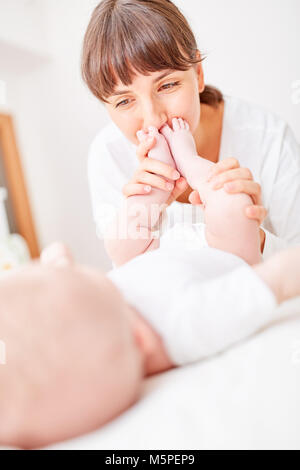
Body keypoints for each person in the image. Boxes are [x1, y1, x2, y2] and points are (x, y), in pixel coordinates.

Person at [0, 240, 300, 450]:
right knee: (230, 217)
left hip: (184, 248)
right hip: (231, 253)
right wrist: (278, 278)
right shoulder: (181, 322)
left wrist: (58, 267)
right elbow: (267, 281)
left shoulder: (93, 313)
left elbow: (56, 275)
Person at [82, 0, 300, 266]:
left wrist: (255, 237)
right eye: (124, 101)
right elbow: (130, 277)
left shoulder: (269, 138)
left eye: (168, 85)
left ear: (198, 74)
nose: (153, 119)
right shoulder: (108, 155)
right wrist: (144, 211)